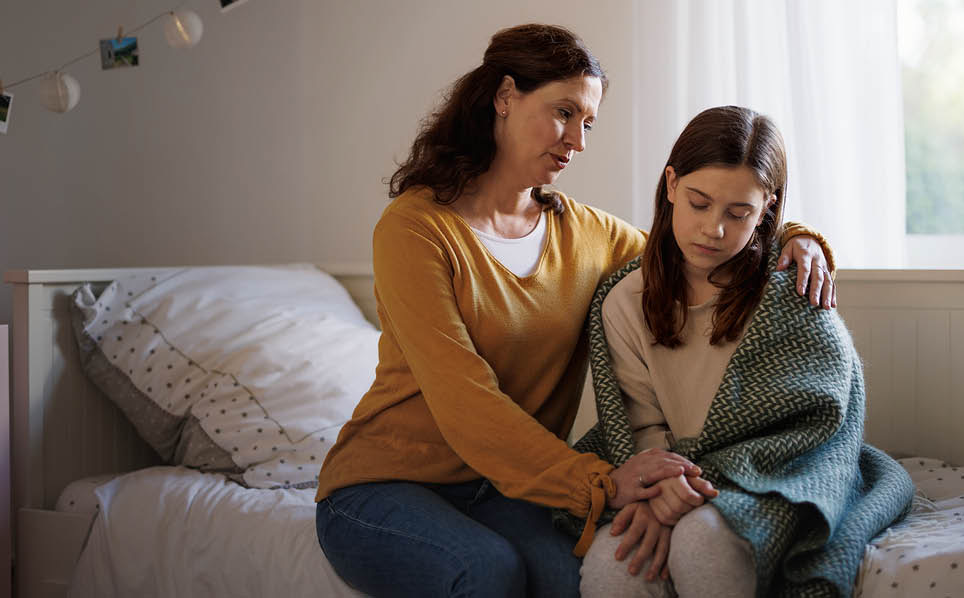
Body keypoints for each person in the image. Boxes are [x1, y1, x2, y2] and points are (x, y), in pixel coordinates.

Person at [314, 25, 837, 598]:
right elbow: (464, 398)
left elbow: (697, 240)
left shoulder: (586, 234)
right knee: (488, 571)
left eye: (588, 123)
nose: (578, 141)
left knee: (579, 581)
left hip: (506, 489)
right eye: (564, 113)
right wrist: (601, 482)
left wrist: (794, 234)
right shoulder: (415, 230)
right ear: (504, 97)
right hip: (384, 485)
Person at [575, 106, 914, 597]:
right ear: (671, 184)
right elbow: (637, 424)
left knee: (701, 540)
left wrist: (697, 488)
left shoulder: (790, 289)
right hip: (670, 474)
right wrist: (662, 489)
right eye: (699, 203)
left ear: (767, 210)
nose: (713, 229)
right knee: (613, 562)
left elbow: (817, 419)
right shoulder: (625, 300)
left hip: (774, 475)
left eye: (738, 214)